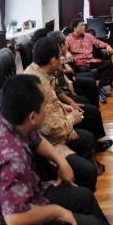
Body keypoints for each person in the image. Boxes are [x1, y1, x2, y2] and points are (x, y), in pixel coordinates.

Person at [0, 75, 113, 225]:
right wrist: (56, 211)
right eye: (45, 105)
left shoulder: (9, 119)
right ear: (32, 117)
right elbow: (14, 218)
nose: (48, 109)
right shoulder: (10, 157)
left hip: (32, 192)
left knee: (85, 196)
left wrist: (61, 161)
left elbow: (37, 140)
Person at [24, 37, 103, 190]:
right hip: (49, 142)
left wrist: (62, 106)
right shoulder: (38, 83)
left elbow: (51, 103)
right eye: (59, 57)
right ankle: (81, 190)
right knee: (89, 170)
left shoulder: (36, 70)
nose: (61, 61)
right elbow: (49, 128)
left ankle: (80, 186)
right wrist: (71, 122)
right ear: (53, 60)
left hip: (54, 128)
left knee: (87, 138)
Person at [48, 30, 104, 105]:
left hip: (68, 78)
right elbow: (57, 82)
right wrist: (69, 81)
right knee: (89, 81)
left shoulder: (60, 54)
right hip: (65, 84)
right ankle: (93, 105)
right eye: (66, 42)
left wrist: (69, 80)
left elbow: (62, 70)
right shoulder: (54, 58)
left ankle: (97, 98)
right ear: (61, 45)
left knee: (91, 77)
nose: (68, 44)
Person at [65, 18, 113, 97]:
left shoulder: (88, 36)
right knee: (83, 70)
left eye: (84, 25)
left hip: (91, 61)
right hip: (79, 63)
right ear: (75, 28)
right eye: (81, 25)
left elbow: (98, 43)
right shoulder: (68, 38)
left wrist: (107, 46)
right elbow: (63, 49)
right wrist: (67, 52)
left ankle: (102, 86)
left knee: (107, 64)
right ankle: (93, 90)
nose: (84, 26)